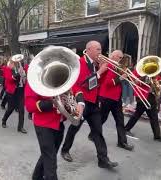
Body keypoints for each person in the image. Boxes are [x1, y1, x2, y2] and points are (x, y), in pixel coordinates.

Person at [61, 41, 118, 169]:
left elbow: (98, 83)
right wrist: (99, 72)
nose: (100, 52)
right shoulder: (80, 63)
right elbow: (83, 84)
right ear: (89, 50)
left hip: (93, 104)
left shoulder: (95, 64)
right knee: (74, 128)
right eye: (98, 49)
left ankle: (103, 159)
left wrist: (104, 71)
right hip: (82, 102)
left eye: (100, 49)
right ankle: (65, 150)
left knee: (98, 131)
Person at [25, 82, 66, 180]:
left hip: (59, 123)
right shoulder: (34, 81)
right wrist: (53, 103)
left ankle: (37, 176)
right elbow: (30, 106)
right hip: (44, 124)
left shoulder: (59, 79)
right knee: (51, 160)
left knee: (48, 154)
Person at [99, 51, 134, 151]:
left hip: (116, 98)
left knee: (120, 120)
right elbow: (108, 83)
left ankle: (122, 142)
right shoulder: (108, 65)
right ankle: (93, 133)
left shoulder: (118, 67)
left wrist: (126, 77)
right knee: (102, 118)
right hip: (106, 97)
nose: (121, 59)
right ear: (113, 56)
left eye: (121, 57)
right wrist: (121, 78)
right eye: (120, 57)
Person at [124, 68, 161, 142]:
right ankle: (126, 129)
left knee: (153, 116)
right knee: (138, 114)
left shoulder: (153, 71)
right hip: (142, 95)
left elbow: (160, 80)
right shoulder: (139, 70)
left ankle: (157, 135)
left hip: (151, 96)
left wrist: (160, 84)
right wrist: (145, 79)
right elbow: (133, 80)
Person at [1, 55, 27, 134]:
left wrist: (24, 75)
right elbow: (9, 79)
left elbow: (24, 79)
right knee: (10, 109)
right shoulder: (8, 68)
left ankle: (20, 127)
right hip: (12, 91)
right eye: (16, 61)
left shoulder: (21, 67)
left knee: (21, 110)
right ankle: (4, 120)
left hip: (20, 90)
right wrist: (18, 74)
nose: (18, 62)